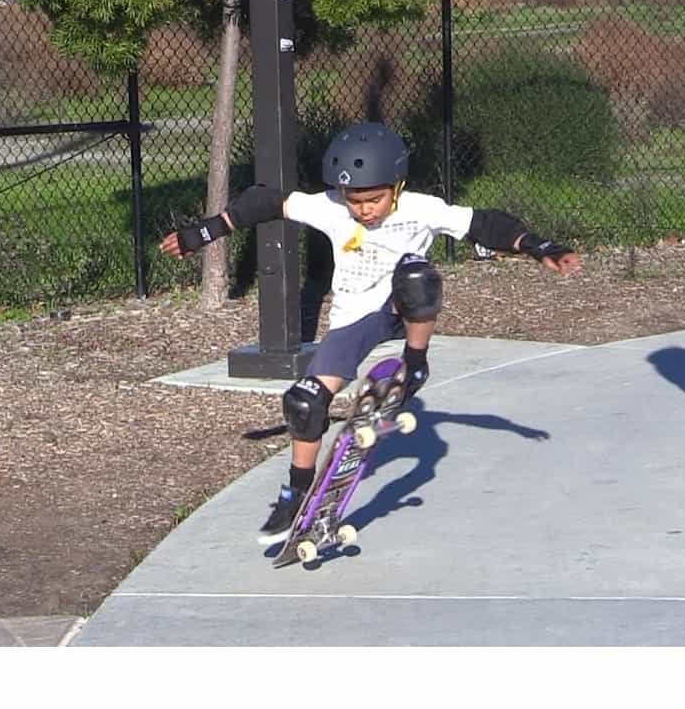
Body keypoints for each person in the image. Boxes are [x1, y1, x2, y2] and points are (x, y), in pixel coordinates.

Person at [160, 122, 581, 543]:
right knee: (303, 402)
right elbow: (265, 201)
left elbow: (484, 223)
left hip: (402, 307)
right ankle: (296, 493)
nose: (364, 210)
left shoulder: (421, 209)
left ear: (397, 188)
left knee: (417, 276)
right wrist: (204, 232)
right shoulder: (331, 207)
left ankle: (415, 363)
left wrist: (538, 245)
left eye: (374, 200)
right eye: (355, 201)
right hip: (355, 320)